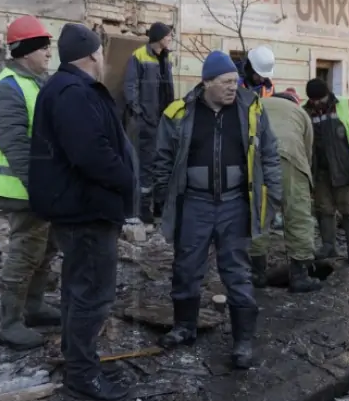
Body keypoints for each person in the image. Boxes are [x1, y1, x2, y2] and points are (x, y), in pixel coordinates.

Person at [28, 24, 137, 401]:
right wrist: (127, 179)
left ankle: (79, 361)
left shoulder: (67, 88)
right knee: (92, 294)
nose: (104, 58)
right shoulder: (73, 92)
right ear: (92, 54)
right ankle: (82, 374)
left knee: (79, 290)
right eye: (101, 52)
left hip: (80, 208)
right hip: (86, 210)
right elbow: (91, 153)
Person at [153, 51, 282, 369]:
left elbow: (269, 154)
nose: (232, 87)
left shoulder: (251, 109)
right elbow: (162, 160)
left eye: (234, 81)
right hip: (194, 204)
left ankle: (242, 342)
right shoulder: (179, 113)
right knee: (186, 267)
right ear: (207, 82)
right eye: (225, 82)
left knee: (237, 272)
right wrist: (160, 199)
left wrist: (274, 195)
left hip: (234, 204)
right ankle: (184, 327)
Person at [0, 15, 59, 351]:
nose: (49, 53)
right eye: (43, 47)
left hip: (35, 186)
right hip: (19, 188)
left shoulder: (34, 82)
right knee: (26, 251)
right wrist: (38, 188)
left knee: (45, 246)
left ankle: (34, 307)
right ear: (25, 52)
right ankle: (10, 324)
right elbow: (15, 145)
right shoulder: (9, 88)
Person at [248, 91, 322, 293]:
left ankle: (256, 274)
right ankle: (300, 277)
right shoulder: (300, 112)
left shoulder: (255, 104)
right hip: (289, 156)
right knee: (298, 215)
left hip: (256, 157)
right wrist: (304, 178)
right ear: (293, 102)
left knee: (257, 215)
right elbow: (306, 150)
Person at [303, 78, 349, 266]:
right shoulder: (305, 111)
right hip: (320, 171)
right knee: (323, 209)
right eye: (313, 100)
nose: (317, 103)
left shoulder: (347, 106)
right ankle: (328, 246)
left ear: (328, 94)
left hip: (345, 169)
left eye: (320, 99)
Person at [124, 22, 175, 224]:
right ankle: (144, 208)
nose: (170, 38)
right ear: (159, 37)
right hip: (148, 120)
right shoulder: (139, 56)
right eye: (168, 35)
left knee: (162, 162)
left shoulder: (166, 57)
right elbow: (130, 86)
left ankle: (160, 205)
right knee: (146, 164)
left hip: (164, 119)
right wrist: (139, 112)